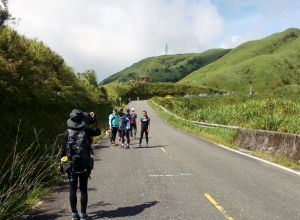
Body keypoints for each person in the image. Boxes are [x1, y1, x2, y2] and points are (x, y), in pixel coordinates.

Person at [60, 109, 101, 220]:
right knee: (83, 190)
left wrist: (61, 163)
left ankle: (74, 214)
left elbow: (63, 151)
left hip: (71, 166)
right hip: (84, 164)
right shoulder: (86, 131)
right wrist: (94, 120)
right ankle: (83, 214)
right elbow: (98, 131)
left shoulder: (66, 133)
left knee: (72, 189)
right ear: (81, 121)